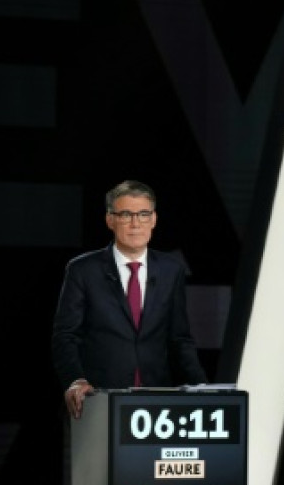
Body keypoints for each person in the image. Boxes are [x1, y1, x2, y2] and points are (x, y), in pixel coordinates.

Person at [52, 179, 208, 419]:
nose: (136, 223)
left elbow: (180, 338)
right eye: (126, 214)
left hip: (157, 402)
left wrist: (203, 389)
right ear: (110, 220)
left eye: (143, 214)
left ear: (154, 219)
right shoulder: (83, 270)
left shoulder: (171, 270)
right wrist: (76, 380)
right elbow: (65, 335)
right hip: (98, 400)